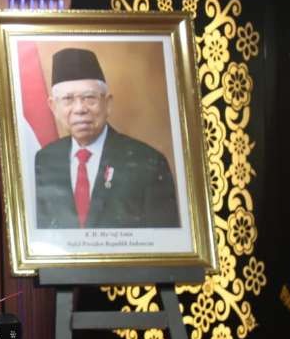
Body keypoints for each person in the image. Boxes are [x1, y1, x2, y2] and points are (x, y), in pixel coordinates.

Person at [34, 48, 181, 229]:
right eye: (68, 99)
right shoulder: (43, 160)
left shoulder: (148, 163)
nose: (80, 108)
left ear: (108, 103)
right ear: (53, 106)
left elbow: (165, 244)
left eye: (89, 98)